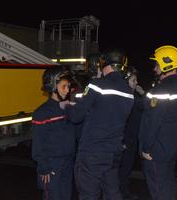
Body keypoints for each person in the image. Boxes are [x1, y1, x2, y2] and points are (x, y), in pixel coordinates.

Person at [63, 48, 134, 200]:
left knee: (89, 194)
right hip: (114, 152)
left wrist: (67, 106)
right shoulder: (128, 91)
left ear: (104, 64)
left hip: (93, 153)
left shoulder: (96, 85)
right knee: (112, 192)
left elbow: (76, 116)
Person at [139, 45, 177, 200]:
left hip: (158, 148)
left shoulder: (162, 89)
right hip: (173, 145)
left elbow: (153, 122)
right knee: (167, 182)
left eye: (157, 64)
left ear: (166, 64)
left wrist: (146, 148)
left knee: (158, 187)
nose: (155, 68)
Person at [31, 67, 76, 200]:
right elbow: (38, 143)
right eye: (63, 87)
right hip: (52, 166)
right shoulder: (42, 112)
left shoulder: (67, 108)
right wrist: (44, 167)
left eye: (68, 86)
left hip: (68, 162)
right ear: (52, 86)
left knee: (66, 196)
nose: (67, 90)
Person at [119, 67, 145, 200]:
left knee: (126, 168)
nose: (136, 82)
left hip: (132, 139)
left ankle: (123, 191)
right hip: (126, 140)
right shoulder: (127, 98)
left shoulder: (133, 96)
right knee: (123, 168)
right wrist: (122, 141)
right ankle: (122, 193)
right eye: (133, 80)